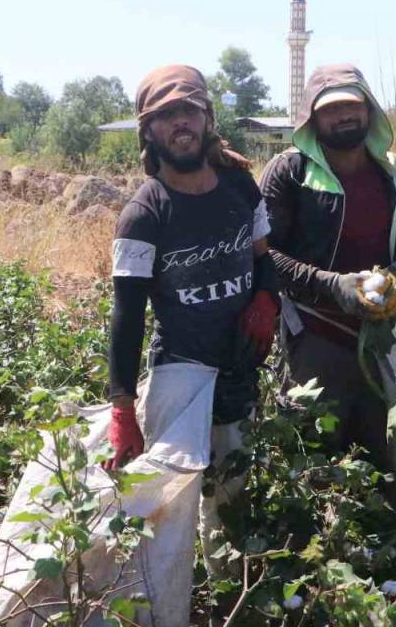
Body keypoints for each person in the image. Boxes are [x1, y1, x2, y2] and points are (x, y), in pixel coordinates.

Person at [106, 65, 279, 579]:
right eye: (166, 115)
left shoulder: (239, 186)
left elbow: (263, 254)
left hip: (238, 367)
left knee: (230, 490)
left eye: (190, 110)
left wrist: (266, 297)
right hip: (181, 372)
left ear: (206, 118)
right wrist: (122, 409)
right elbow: (127, 313)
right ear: (148, 131)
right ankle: (167, 596)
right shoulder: (145, 213)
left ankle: (229, 591)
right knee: (170, 499)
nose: (181, 123)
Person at [260, 64, 396, 514]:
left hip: (378, 337)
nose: (343, 116)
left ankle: (387, 560)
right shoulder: (289, 173)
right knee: (316, 459)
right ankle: (317, 568)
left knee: (384, 452)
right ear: (312, 119)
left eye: (351, 105)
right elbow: (263, 257)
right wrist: (331, 286)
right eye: (330, 109)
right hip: (313, 336)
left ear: (368, 110)